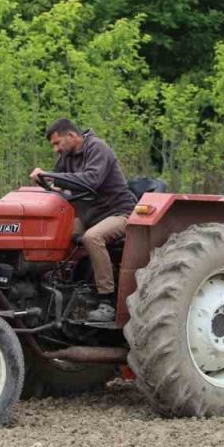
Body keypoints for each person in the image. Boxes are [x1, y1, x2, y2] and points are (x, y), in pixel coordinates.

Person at [31, 118, 137, 323]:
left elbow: (91, 180)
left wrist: (52, 176)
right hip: (90, 215)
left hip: (118, 213)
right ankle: (54, 287)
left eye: (57, 143)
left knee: (92, 238)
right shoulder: (67, 156)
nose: (55, 149)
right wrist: (45, 181)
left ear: (71, 136)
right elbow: (59, 183)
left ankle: (106, 300)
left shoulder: (98, 148)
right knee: (56, 234)